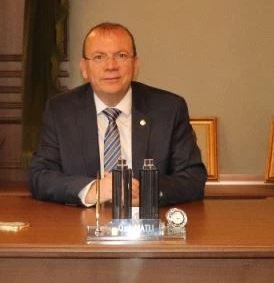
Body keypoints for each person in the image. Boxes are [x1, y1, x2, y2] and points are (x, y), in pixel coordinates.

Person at [29, 22, 207, 207]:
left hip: (147, 222)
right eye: (99, 57)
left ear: (135, 64)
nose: (111, 66)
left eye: (121, 56)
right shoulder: (60, 111)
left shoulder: (168, 109)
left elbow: (193, 178)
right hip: (81, 222)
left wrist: (146, 192)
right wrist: (93, 190)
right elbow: (40, 175)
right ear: (84, 68)